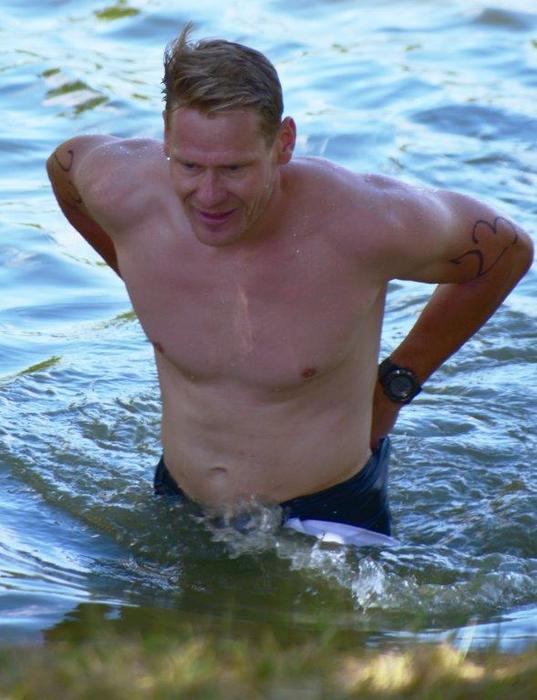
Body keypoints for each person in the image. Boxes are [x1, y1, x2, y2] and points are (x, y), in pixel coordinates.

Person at [46, 24, 533, 544]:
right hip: (178, 496)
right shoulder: (118, 187)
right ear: (166, 139)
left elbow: (507, 252)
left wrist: (397, 384)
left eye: (234, 169)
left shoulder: (363, 223)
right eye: (188, 165)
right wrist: (136, 267)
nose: (208, 195)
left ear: (283, 144)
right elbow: (63, 172)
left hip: (330, 512)